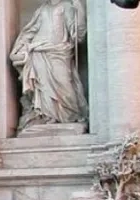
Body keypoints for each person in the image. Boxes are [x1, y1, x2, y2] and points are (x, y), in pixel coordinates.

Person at [9, 0, 87, 133]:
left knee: (65, 85)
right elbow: (30, 31)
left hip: (59, 52)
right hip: (38, 52)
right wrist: (20, 47)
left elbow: (77, 34)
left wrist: (79, 9)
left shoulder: (66, 7)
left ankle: (68, 116)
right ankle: (45, 115)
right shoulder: (41, 9)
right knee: (42, 86)